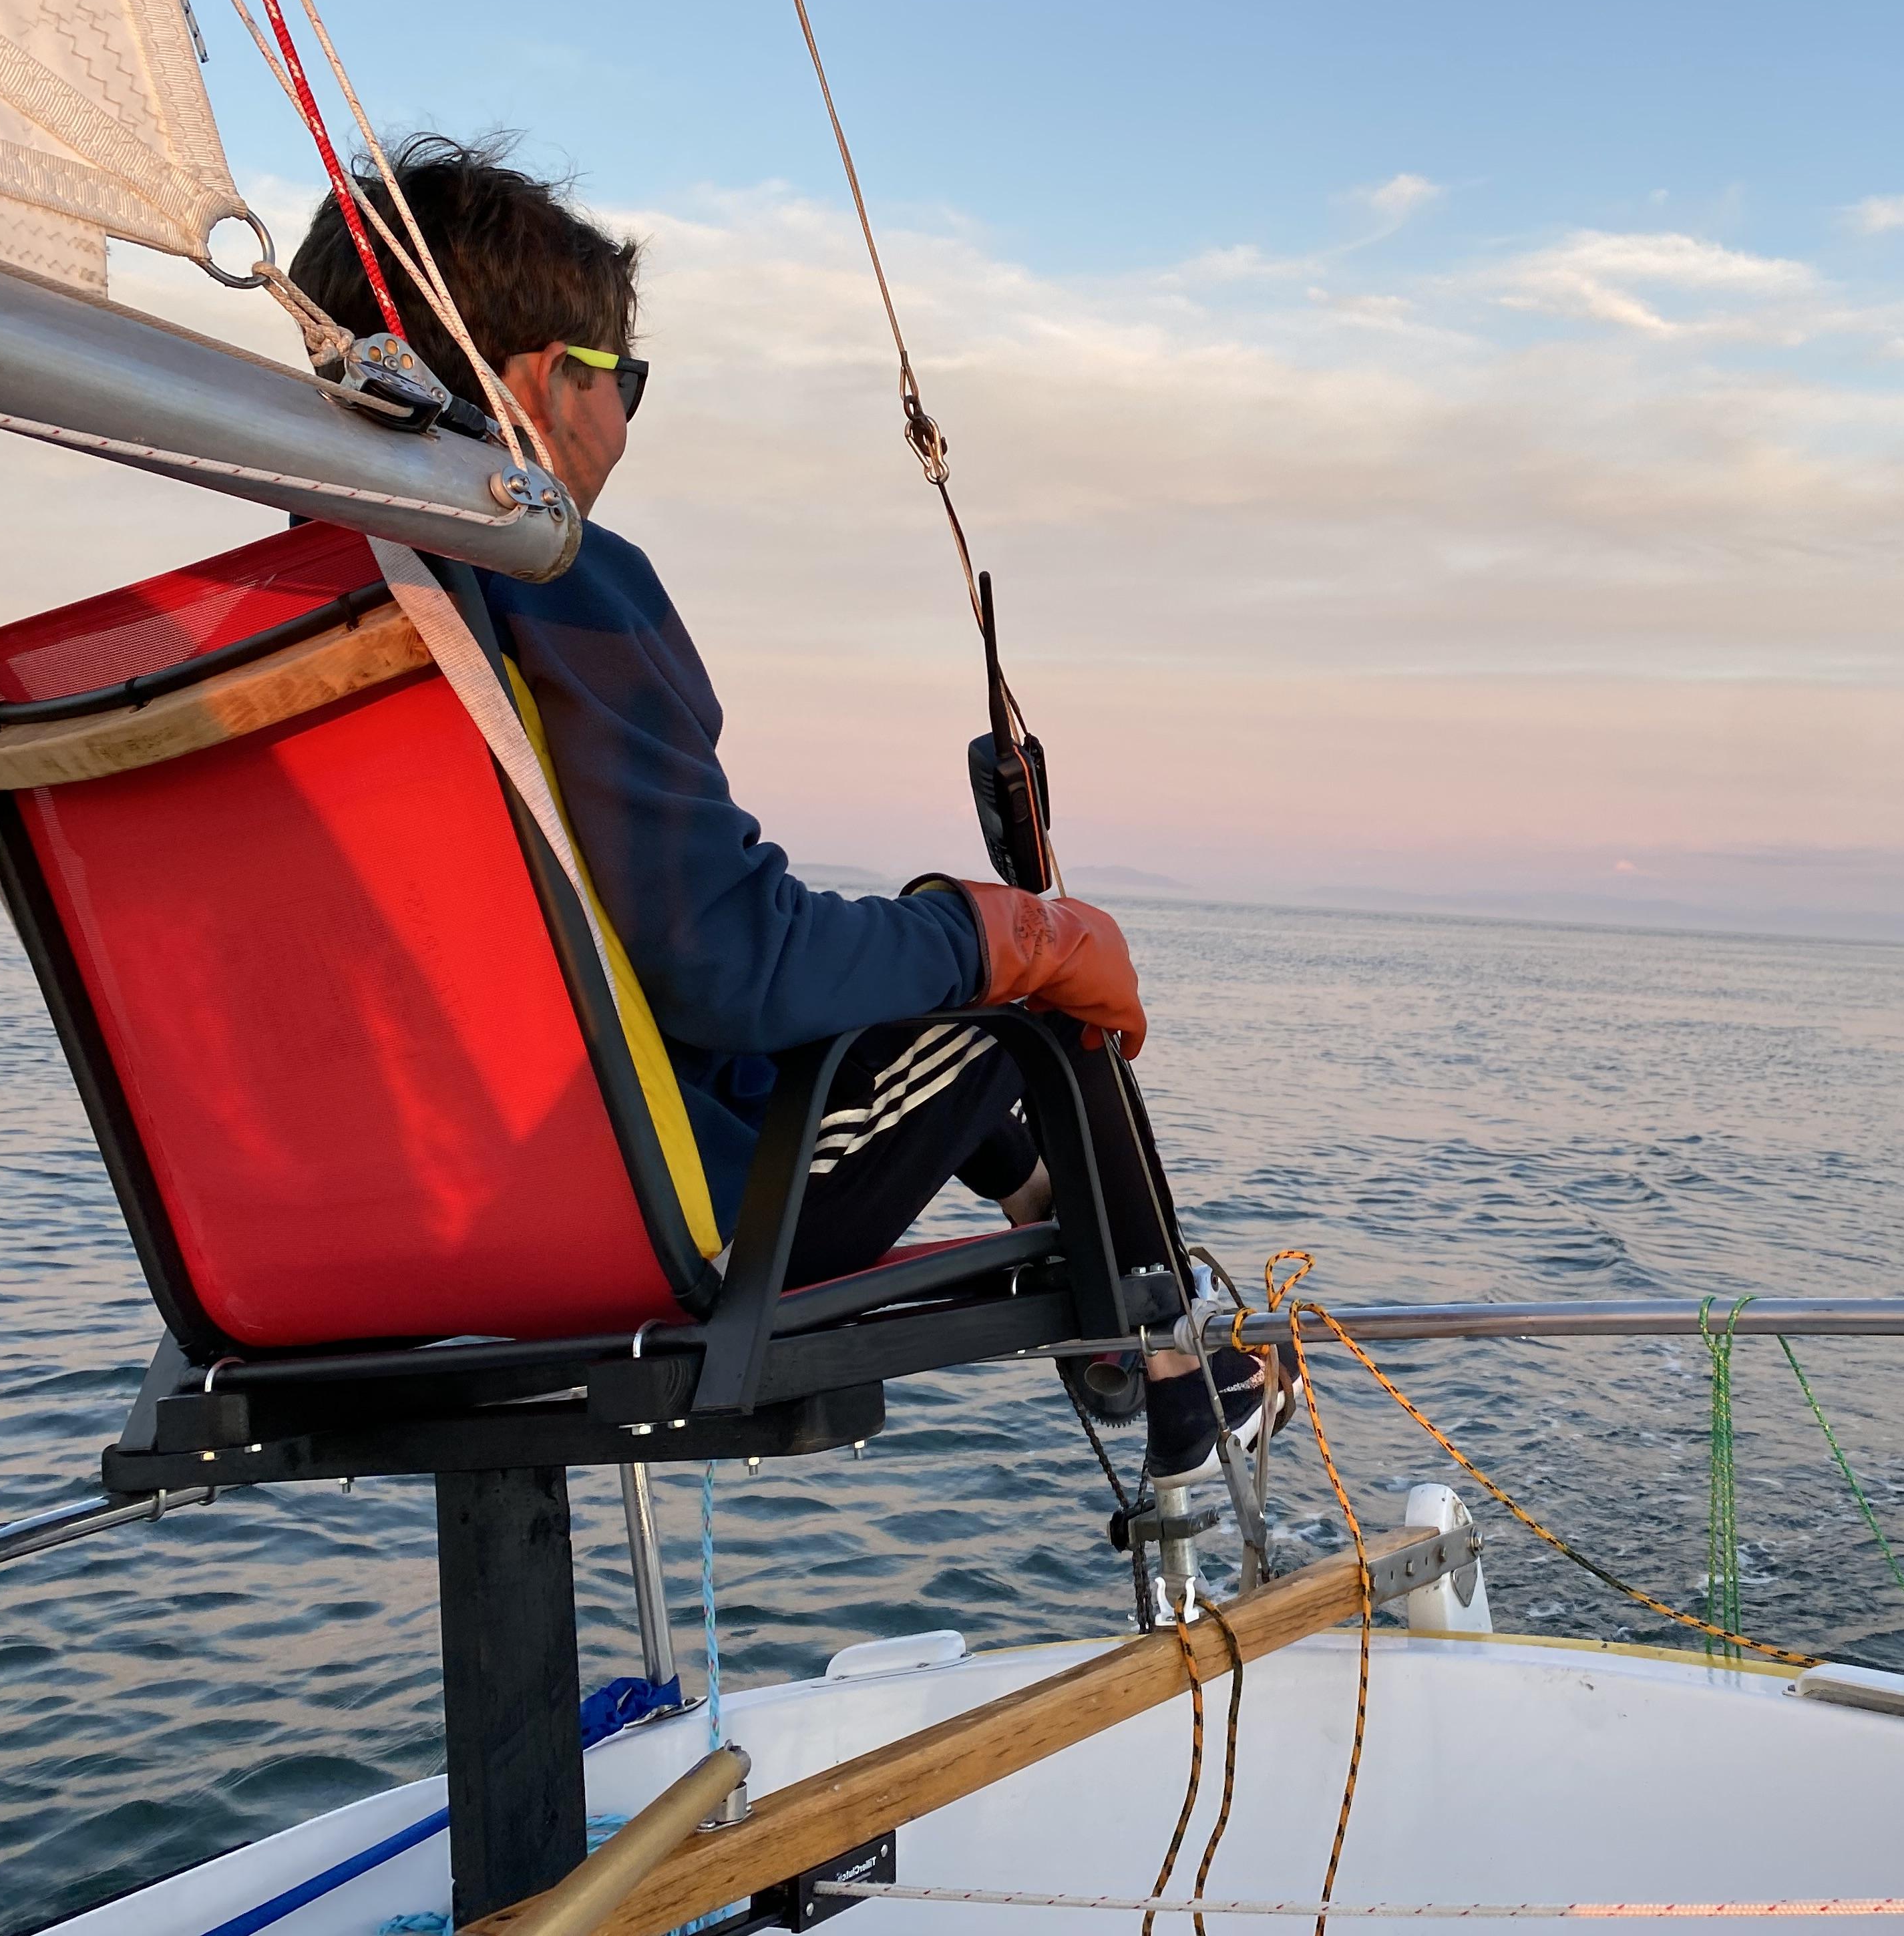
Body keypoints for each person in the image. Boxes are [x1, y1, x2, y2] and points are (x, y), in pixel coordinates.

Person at [287, 135, 1288, 1483]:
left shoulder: (291, 624)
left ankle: (1077, 1240)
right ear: (545, 382)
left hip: (359, 1234)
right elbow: (732, 965)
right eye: (624, 381)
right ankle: (1170, 1369)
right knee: (1034, 987)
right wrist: (1011, 932)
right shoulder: (555, 577)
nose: (626, 421)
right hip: (654, 1213)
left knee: (926, 989)